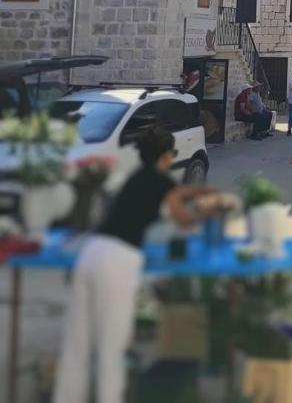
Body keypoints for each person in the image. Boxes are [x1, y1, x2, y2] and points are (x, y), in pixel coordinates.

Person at [53, 127, 219, 403]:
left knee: (76, 343)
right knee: (111, 348)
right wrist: (209, 209)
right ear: (166, 157)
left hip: (92, 253)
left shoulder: (134, 178)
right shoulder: (162, 183)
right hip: (118, 261)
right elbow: (184, 215)